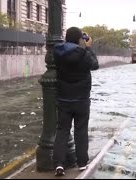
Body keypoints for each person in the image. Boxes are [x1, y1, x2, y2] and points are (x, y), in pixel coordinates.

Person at [53, 27, 99, 176]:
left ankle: (59, 164)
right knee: (81, 130)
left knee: (62, 131)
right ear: (80, 39)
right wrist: (88, 47)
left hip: (64, 98)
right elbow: (95, 65)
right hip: (81, 100)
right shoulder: (84, 54)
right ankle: (82, 163)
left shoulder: (57, 52)